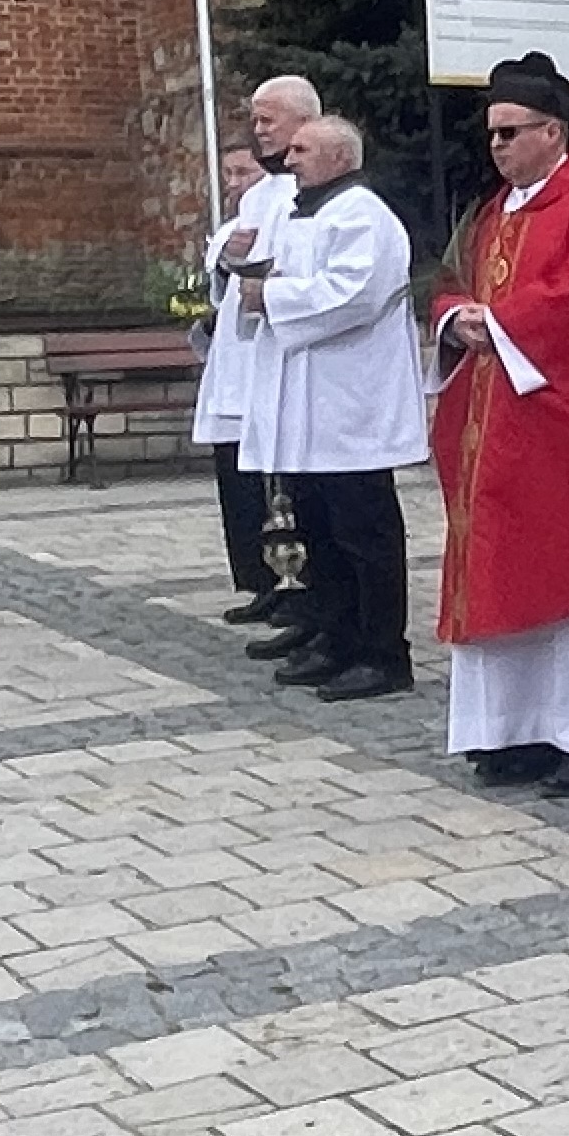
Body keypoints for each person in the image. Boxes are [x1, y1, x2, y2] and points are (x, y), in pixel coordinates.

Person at [429, 54, 569, 791]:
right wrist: (456, 317)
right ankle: (509, 732)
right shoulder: (497, 211)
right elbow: (454, 282)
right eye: (491, 134)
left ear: (553, 132)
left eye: (511, 132)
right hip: (492, 428)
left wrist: (502, 321)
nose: (497, 146)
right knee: (498, 575)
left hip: (562, 428)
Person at [238, 116, 427, 700]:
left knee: (364, 532)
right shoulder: (310, 213)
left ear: (341, 158)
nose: (289, 159)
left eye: (302, 149)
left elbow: (352, 295)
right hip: (311, 405)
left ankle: (383, 651)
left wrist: (268, 294)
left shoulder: (362, 215)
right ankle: (335, 633)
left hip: (352, 406)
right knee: (319, 527)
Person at [194, 76, 319, 625]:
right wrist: (227, 262)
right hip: (238, 353)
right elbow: (222, 273)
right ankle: (264, 579)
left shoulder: (314, 192)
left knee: (282, 486)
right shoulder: (263, 195)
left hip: (281, 355)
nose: (259, 130)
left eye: (268, 120)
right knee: (241, 480)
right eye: (257, 120)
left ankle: (298, 586)